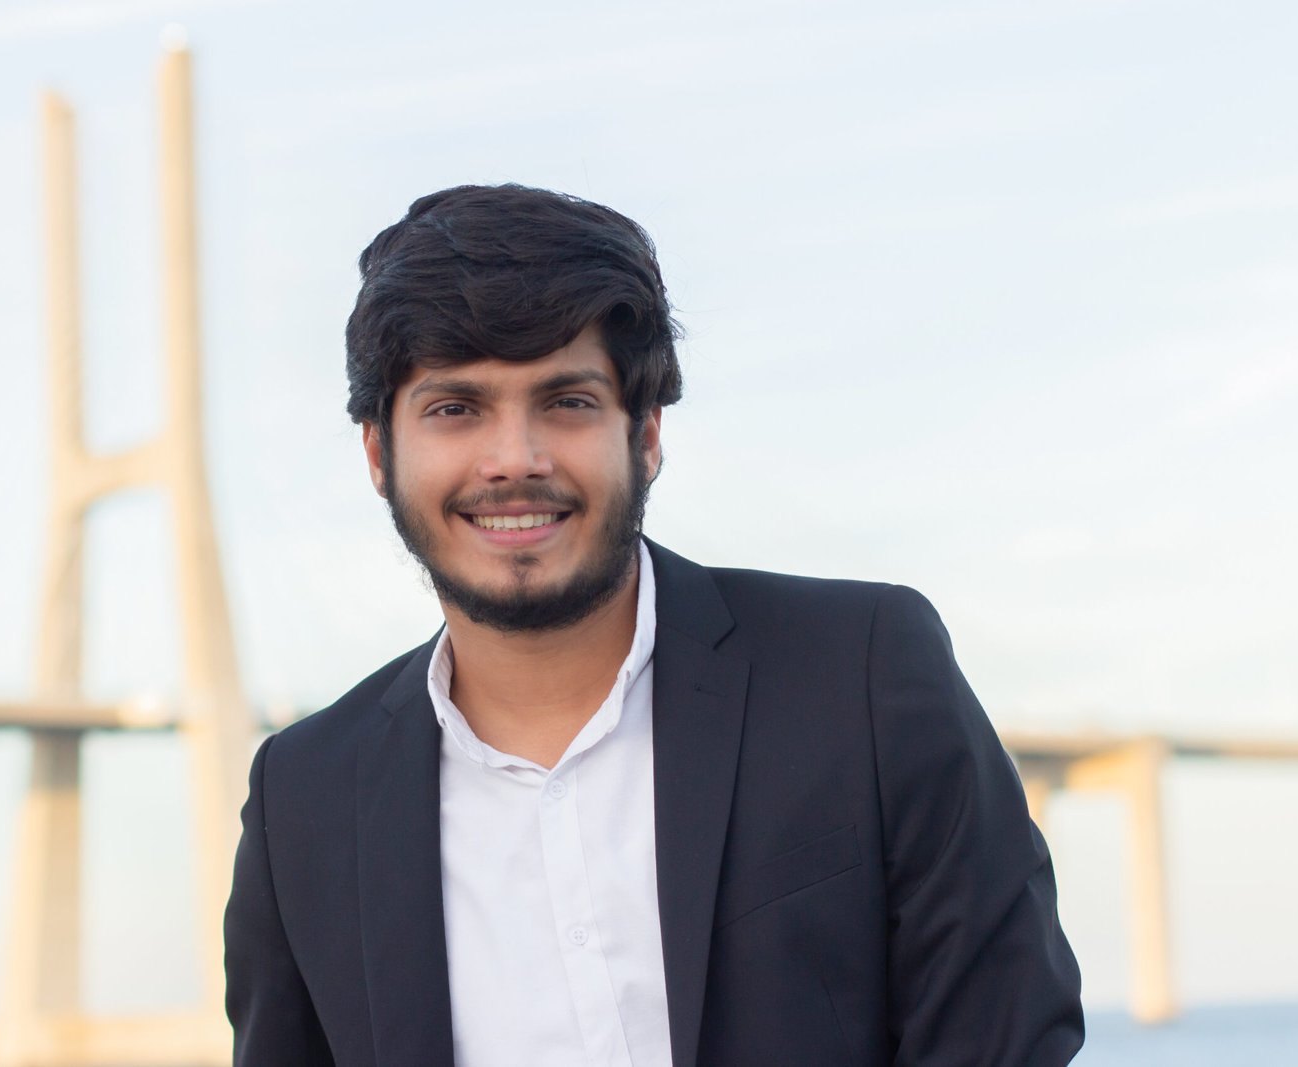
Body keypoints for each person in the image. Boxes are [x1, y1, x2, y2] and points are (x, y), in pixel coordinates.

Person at [223, 184, 1084, 1066]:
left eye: (568, 401)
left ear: (646, 436)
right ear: (378, 452)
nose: (515, 459)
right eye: (456, 408)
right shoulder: (305, 803)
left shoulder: (861, 671)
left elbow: (1007, 1031)